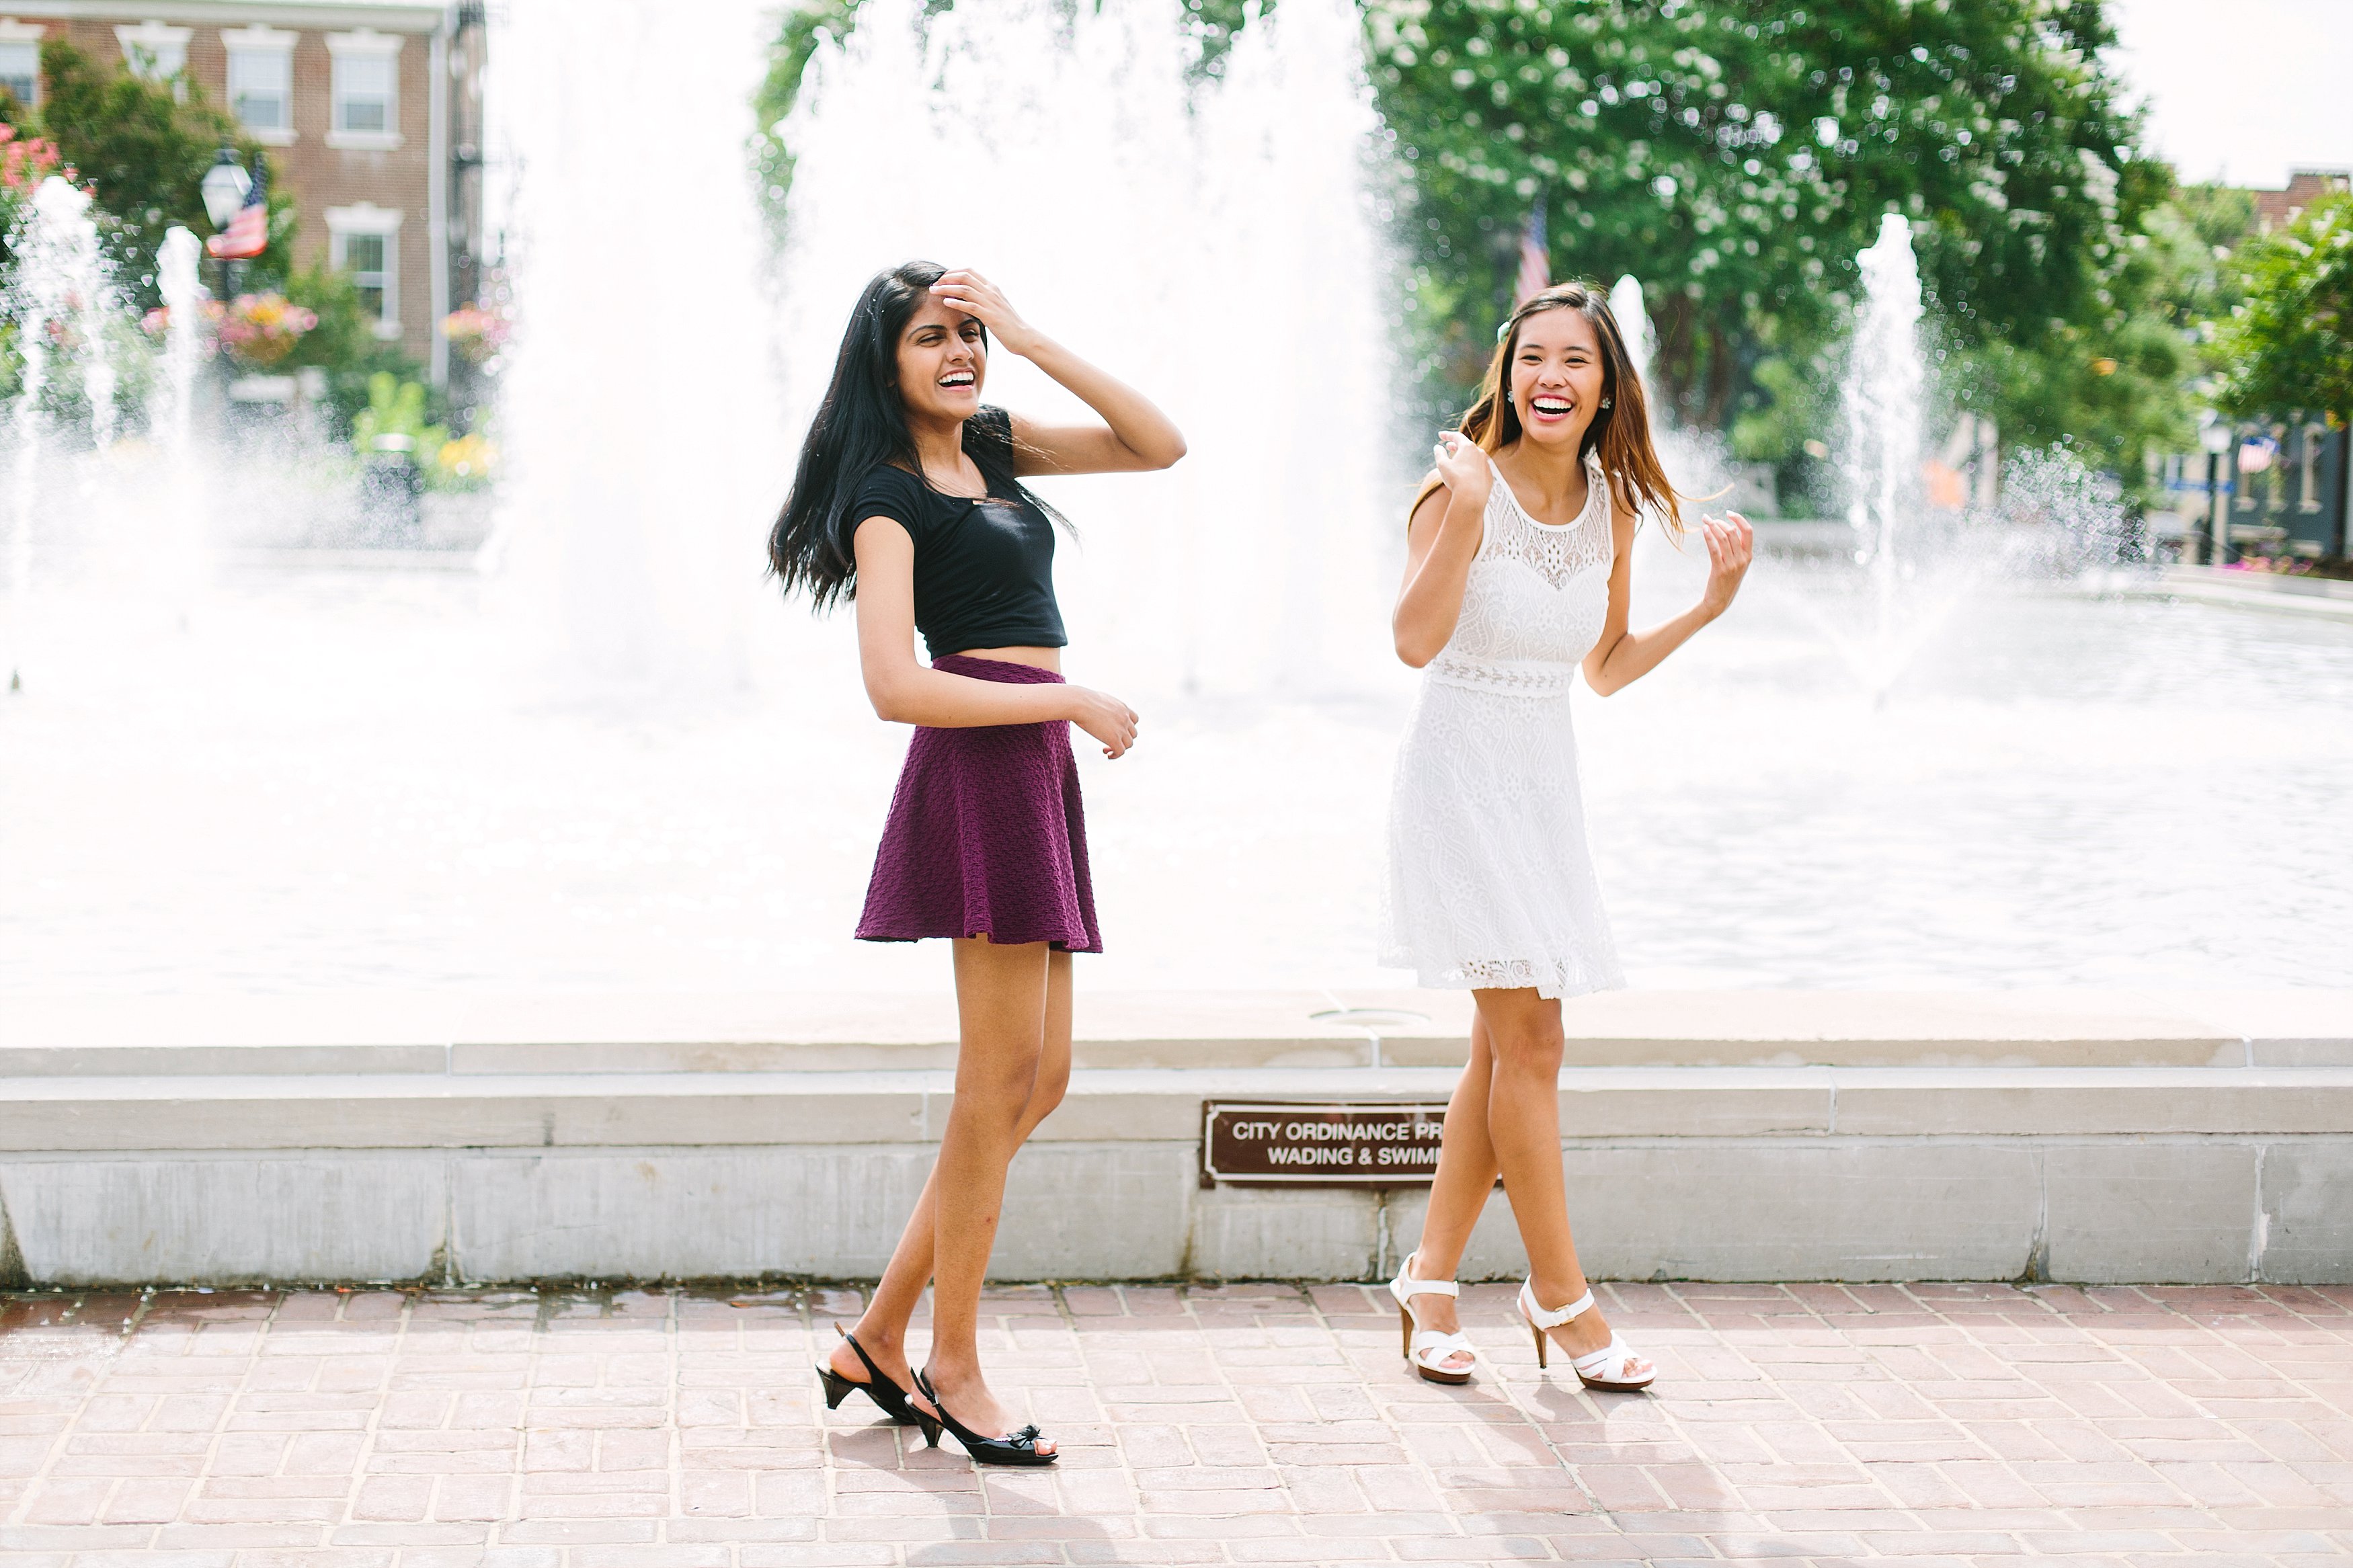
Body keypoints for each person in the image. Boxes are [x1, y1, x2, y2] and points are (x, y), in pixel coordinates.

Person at [769, 261, 1185, 1463]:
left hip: (1031, 757)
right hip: (984, 763)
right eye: (931, 339)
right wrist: (1067, 693)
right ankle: (951, 1363)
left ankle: (878, 1337)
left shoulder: (993, 447)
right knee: (994, 1079)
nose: (958, 354)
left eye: (968, 336)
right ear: (882, 360)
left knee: (1036, 1079)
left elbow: (1157, 443)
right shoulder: (885, 496)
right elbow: (894, 683)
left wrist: (1028, 331)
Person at [1380, 282, 1753, 1391]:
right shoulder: (1459, 487)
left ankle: (1431, 1279)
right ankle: (1563, 1301)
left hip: (1542, 786)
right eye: (1533, 356)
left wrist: (1707, 611)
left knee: (1504, 1048)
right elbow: (1411, 642)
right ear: (1507, 372)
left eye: (1575, 362)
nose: (1551, 377)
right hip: (1455, 779)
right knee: (1533, 1044)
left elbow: (1605, 665)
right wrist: (1466, 509)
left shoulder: (1613, 508)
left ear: (1606, 387)